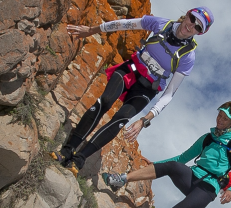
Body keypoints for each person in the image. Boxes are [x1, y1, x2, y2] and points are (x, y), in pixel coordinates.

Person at [50, 7, 214, 176]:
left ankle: (79, 159)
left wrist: (145, 120)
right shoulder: (161, 24)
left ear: (200, 33)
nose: (191, 26)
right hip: (131, 69)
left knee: (120, 120)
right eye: (192, 19)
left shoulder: (188, 57)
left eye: (198, 27)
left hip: (147, 88)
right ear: (187, 15)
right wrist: (91, 30)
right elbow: (125, 24)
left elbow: (169, 93)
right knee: (105, 101)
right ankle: (67, 150)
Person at [102, 101, 231, 208]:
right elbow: (182, 158)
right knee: (172, 166)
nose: (220, 119)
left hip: (207, 189)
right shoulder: (208, 137)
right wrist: (156, 164)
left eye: (225, 118)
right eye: (219, 115)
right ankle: (122, 179)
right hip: (192, 176)